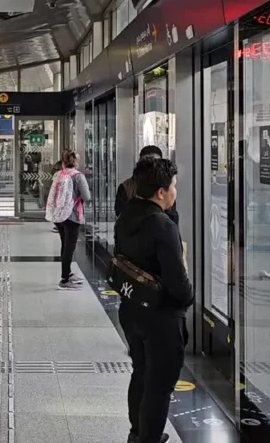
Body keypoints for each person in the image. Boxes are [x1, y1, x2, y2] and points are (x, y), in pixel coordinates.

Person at [114, 157, 193, 443]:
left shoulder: (126, 216)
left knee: (141, 373)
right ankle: (149, 438)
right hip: (161, 318)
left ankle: (137, 434)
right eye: (173, 186)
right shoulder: (162, 225)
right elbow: (179, 283)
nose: (175, 192)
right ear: (160, 191)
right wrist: (189, 297)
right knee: (159, 388)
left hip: (132, 307)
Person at [46, 150, 91, 290]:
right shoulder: (78, 177)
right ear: (75, 161)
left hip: (59, 215)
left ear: (63, 162)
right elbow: (87, 196)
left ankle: (68, 273)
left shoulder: (58, 175)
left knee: (64, 245)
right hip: (72, 216)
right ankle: (65, 280)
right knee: (69, 247)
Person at [116, 146, 179, 225]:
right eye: (147, 163)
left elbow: (172, 216)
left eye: (155, 163)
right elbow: (121, 215)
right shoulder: (126, 187)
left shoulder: (167, 186)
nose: (151, 166)